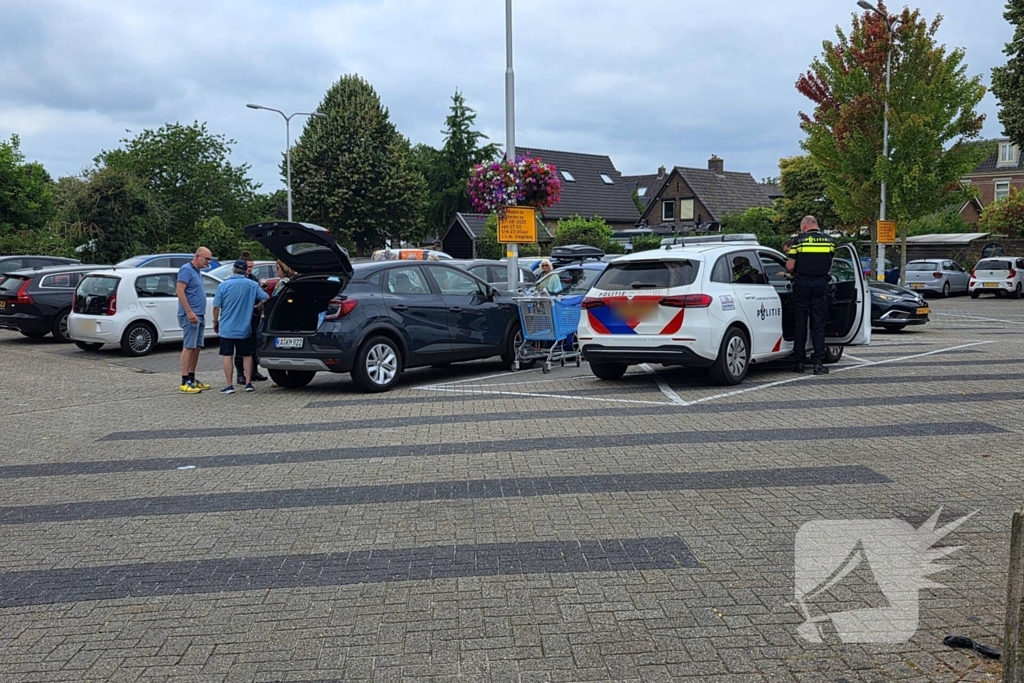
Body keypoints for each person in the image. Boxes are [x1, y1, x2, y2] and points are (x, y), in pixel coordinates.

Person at [786, 215, 835, 375]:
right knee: (818, 324)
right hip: (821, 284)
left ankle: (799, 362)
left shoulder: (798, 241)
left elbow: (790, 266)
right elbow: (831, 262)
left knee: (801, 322)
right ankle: (818, 363)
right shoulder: (829, 241)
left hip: (802, 284)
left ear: (805, 226)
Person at [212, 260, 269, 394]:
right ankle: (249, 383)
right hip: (245, 328)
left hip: (227, 328)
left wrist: (215, 321)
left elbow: (216, 306)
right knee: (247, 355)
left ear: (233, 269)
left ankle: (229, 385)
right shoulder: (252, 285)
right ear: (245, 271)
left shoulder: (223, 285)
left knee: (228, 356)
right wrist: (255, 307)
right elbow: (266, 297)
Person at [175, 247, 213, 393]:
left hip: (199, 315)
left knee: (196, 347)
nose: (208, 262)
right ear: (197, 256)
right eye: (206, 259)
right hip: (191, 315)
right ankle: (184, 380)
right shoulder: (186, 269)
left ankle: (192, 377)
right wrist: (189, 311)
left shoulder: (197, 271)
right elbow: (180, 291)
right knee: (189, 347)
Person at [233, 253, 268, 385]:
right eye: (248, 266)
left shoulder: (253, 278)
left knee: (253, 344)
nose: (250, 269)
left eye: (252, 267)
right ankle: (240, 373)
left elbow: (262, 296)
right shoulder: (238, 281)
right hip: (242, 316)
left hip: (254, 316)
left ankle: (253, 371)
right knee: (241, 345)